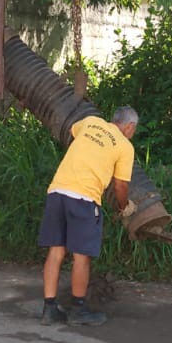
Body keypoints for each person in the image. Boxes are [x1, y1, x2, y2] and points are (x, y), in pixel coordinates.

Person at [37, 107, 139, 326]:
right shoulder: (124, 146)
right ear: (130, 127)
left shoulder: (90, 121)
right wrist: (123, 207)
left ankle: (49, 309)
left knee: (56, 251)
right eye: (134, 129)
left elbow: (74, 133)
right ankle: (79, 310)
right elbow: (120, 185)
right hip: (83, 198)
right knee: (81, 256)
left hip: (57, 192)